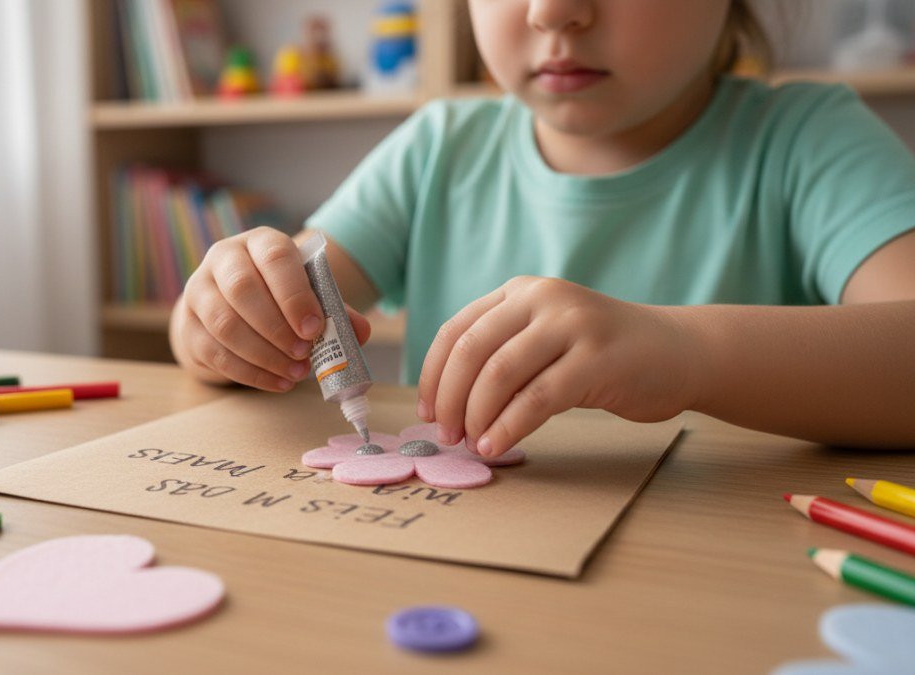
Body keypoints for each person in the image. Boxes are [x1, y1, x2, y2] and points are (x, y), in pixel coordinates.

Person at [169, 0, 915, 455]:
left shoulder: (807, 140)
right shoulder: (438, 148)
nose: (551, 10)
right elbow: (279, 301)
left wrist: (691, 354)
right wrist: (222, 317)